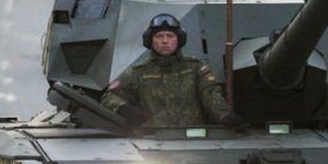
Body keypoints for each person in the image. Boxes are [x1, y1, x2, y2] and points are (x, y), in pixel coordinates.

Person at [101, 13, 244, 129]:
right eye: (159, 36)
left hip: (192, 137)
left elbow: (210, 94)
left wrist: (224, 115)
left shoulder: (195, 68)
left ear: (179, 40)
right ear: (150, 41)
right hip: (152, 138)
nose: (165, 41)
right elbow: (108, 98)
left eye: (170, 36)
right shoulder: (137, 72)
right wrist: (123, 108)